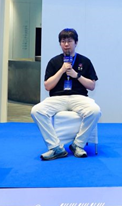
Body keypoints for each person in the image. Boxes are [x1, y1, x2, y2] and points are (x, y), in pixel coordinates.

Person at [31, 28, 101, 160]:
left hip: (79, 97)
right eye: (63, 41)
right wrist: (62, 70)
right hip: (57, 98)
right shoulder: (54, 62)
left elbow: (91, 86)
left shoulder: (85, 61)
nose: (66, 44)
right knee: (36, 111)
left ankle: (78, 144)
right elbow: (47, 86)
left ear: (76, 42)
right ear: (60, 44)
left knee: (95, 111)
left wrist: (76, 75)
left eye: (69, 41)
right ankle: (56, 147)